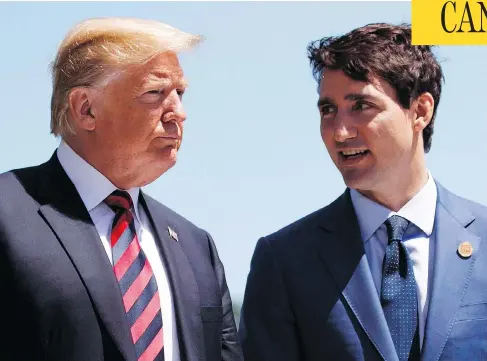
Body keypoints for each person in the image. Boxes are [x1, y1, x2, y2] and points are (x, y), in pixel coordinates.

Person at [238, 23, 487, 361]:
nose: (339, 132)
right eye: (328, 110)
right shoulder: (283, 261)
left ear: (420, 111)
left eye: (361, 106)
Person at [0, 17, 243, 361]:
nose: (178, 113)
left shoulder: (195, 246)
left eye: (180, 93)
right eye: (155, 93)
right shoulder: (8, 213)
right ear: (86, 109)